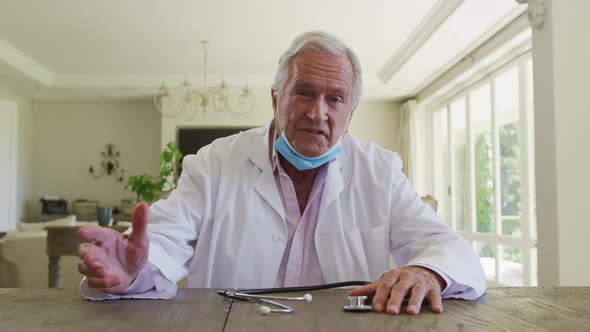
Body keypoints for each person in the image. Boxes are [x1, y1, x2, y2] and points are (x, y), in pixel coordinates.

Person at [77, 31, 485, 315]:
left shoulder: (380, 170)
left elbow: (448, 248)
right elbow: (164, 240)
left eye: (335, 98)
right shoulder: (213, 163)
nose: (317, 112)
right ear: (276, 98)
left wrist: (427, 269)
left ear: (351, 111)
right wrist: (134, 270)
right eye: (303, 92)